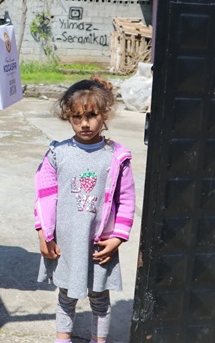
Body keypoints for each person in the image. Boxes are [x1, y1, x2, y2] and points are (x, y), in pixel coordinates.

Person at [33, 77, 136, 343]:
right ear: (67, 116)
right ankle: (62, 338)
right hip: (66, 244)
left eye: (92, 115)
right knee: (66, 296)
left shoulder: (116, 157)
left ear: (106, 114)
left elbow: (126, 200)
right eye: (77, 117)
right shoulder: (57, 153)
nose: (85, 123)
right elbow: (43, 197)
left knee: (100, 299)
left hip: (99, 245)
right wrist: (44, 234)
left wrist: (117, 238)